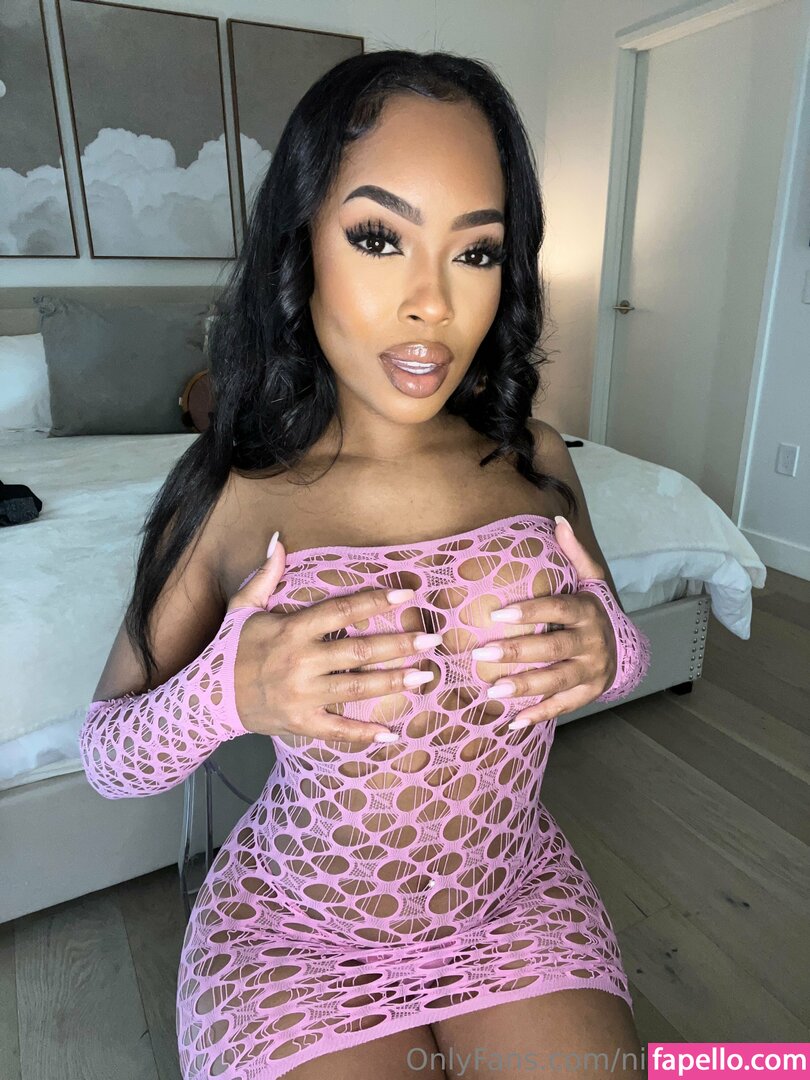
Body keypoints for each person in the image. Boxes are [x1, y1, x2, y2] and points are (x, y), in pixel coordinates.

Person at [79, 50, 651, 1080]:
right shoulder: (235, 491)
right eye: (380, 238)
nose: (432, 304)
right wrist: (230, 691)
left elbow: (620, 646)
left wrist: (610, 652)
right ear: (302, 242)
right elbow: (109, 756)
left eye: (476, 252)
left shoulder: (537, 456)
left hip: (515, 900)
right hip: (293, 939)